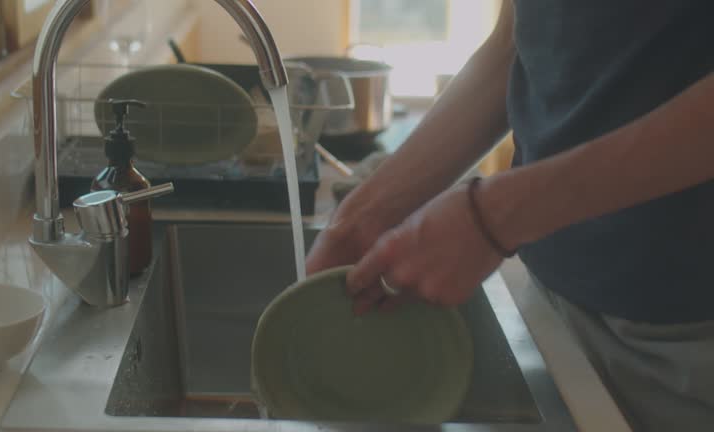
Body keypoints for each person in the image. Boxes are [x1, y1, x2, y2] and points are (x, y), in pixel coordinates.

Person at [305, 1, 714, 430]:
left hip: (687, 338)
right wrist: (367, 213)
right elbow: (516, 38)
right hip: (554, 309)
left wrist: (497, 214)